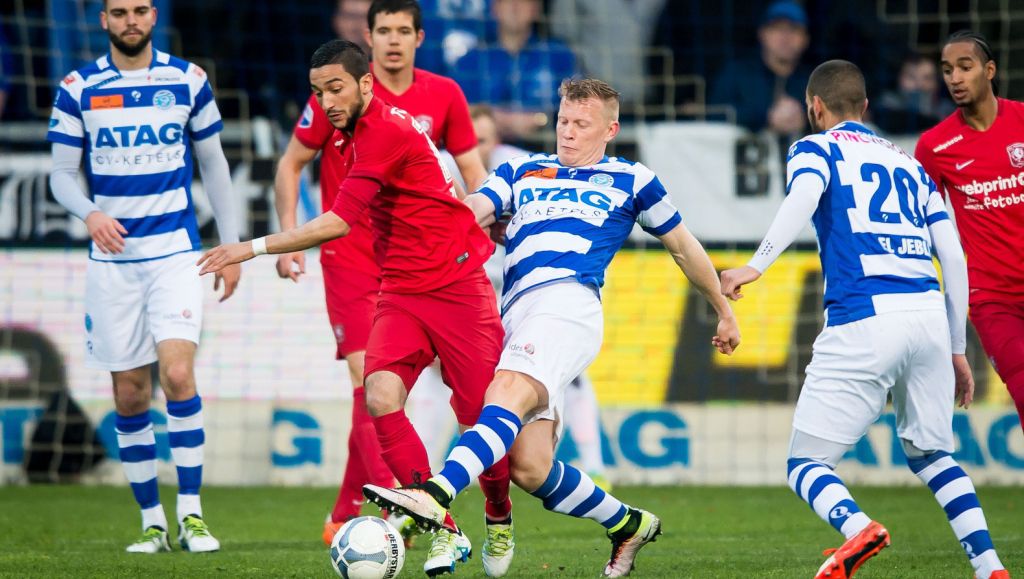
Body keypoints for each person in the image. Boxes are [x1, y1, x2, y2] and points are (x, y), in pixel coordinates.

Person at [363, 78, 741, 578]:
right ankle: (627, 523)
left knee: (504, 393)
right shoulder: (521, 170)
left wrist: (723, 308)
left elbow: (683, 246)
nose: (568, 133)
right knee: (528, 466)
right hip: (517, 313)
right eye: (563, 121)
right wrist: (425, 218)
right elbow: (472, 211)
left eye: (581, 124)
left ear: (610, 129)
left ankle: (435, 493)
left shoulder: (633, 179)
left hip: (568, 303)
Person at [200, 39, 512, 576]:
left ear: (366, 84)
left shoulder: (385, 131)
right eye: (318, 92)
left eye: (336, 88)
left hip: (459, 284)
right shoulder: (347, 131)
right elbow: (300, 171)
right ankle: (444, 531)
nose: (327, 101)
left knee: (478, 420)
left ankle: (499, 517)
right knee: (378, 392)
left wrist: (251, 247)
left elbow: (340, 220)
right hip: (402, 289)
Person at [720, 60, 1010, 579]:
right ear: (867, 108)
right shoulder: (912, 165)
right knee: (934, 456)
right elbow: (956, 257)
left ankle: (857, 528)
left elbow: (803, 198)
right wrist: (956, 347)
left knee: (805, 464)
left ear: (815, 107)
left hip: (864, 315)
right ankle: (990, 567)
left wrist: (754, 264)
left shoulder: (815, 147)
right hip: (927, 316)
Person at [274, 0, 492, 550]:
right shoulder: (335, 94)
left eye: (402, 31)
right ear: (367, 39)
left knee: (463, 403)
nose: (393, 41)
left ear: (419, 37)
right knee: (369, 385)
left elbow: (471, 171)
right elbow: (290, 163)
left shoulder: (441, 95)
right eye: (382, 31)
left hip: (422, 265)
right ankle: (404, 505)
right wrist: (284, 238)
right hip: (349, 258)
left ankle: (353, 508)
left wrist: (478, 224)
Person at [46, 0, 239, 555]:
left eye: (139, 10)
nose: (130, 20)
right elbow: (61, 174)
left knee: (177, 375)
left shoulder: (187, 80)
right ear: (103, 20)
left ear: (154, 16)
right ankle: (152, 523)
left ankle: (193, 516)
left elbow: (215, 162)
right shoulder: (78, 87)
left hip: (175, 255)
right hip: (111, 266)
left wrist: (231, 247)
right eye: (118, 11)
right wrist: (91, 212)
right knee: (129, 395)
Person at [915, 31, 1024, 439]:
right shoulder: (936, 146)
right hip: (993, 301)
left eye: (965, 66)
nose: (955, 78)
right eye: (947, 70)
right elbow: (921, 224)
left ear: (990, 70)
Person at [450, 0, 577, 139]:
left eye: (523, 2)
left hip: (546, 150)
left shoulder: (559, 55)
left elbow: (580, 104)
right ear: (495, 8)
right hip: (485, 152)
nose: (515, 7)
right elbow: (454, 107)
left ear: (536, 9)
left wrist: (539, 119)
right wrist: (492, 118)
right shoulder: (471, 60)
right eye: (507, 1)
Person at [710, 0, 811, 136]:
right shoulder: (737, 74)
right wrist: (766, 117)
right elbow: (714, 116)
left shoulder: (814, 82)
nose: (785, 37)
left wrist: (807, 120)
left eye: (794, 29)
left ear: (805, 39)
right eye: (777, 28)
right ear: (762, 34)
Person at [874, 53, 953, 135]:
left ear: (937, 83)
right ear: (899, 79)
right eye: (911, 77)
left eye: (927, 78)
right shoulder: (886, 104)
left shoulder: (947, 110)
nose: (919, 85)